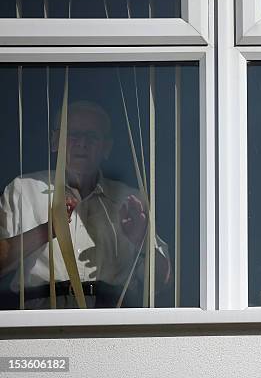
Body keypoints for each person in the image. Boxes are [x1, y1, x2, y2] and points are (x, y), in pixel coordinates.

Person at [0, 100, 171, 309]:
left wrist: (141, 241)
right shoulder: (23, 190)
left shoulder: (129, 200)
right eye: (72, 135)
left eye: (92, 137)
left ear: (106, 148)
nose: (82, 143)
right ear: (55, 141)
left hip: (111, 315)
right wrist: (45, 232)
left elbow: (162, 282)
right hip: (41, 317)